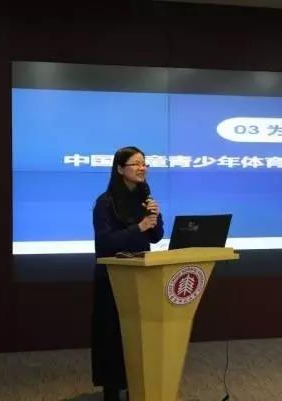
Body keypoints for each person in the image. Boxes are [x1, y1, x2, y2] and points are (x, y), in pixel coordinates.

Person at [91, 146, 164, 401]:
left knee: (139, 337)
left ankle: (137, 388)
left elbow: (155, 237)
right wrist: (139, 226)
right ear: (120, 169)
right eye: (136, 164)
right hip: (113, 279)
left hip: (141, 277)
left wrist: (155, 216)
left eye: (144, 163)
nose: (142, 168)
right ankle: (112, 390)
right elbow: (105, 242)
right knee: (113, 335)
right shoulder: (105, 202)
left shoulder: (145, 198)